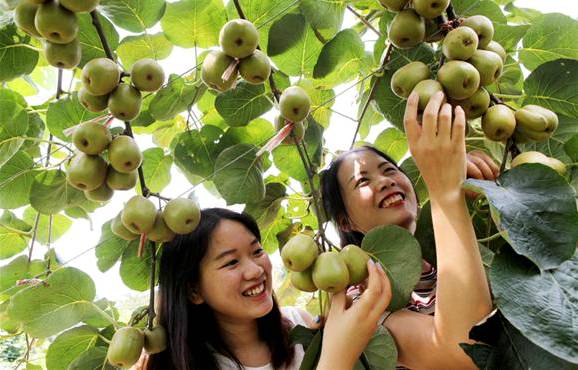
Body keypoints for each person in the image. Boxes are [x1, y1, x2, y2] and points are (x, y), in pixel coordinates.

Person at [321, 91, 494, 369]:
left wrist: (494, 201)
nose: (384, 182)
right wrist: (445, 190)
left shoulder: (444, 242)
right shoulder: (362, 296)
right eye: (362, 181)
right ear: (345, 222)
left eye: (389, 170)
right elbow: (465, 352)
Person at [133, 207, 391, 370]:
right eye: (231, 262)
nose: (256, 270)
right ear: (194, 291)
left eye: (257, 251)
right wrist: (339, 355)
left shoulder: (300, 325)